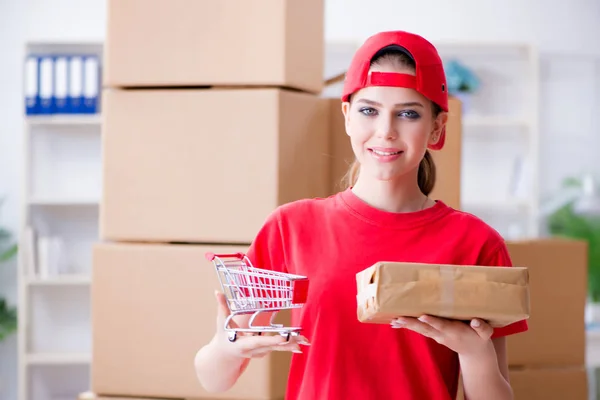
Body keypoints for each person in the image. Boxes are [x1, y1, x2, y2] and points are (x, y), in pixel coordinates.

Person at [194, 30, 528, 400]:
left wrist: (474, 352)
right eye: (369, 110)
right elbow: (214, 378)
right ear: (347, 116)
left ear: (436, 128)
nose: (385, 131)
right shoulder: (290, 228)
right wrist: (228, 347)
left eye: (408, 113)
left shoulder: (476, 244)